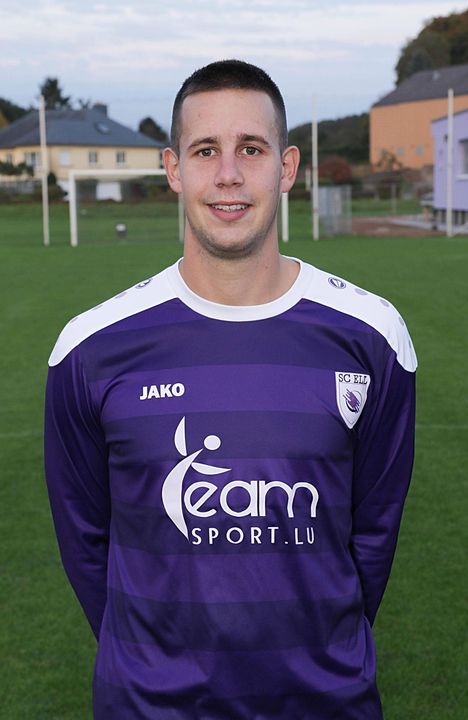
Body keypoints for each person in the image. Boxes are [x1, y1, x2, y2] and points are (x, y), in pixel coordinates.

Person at [44, 59, 417, 719]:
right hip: (149, 707)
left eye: (251, 148)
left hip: (324, 703)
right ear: (173, 169)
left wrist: (320, 644)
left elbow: (373, 535)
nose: (227, 175)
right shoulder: (90, 348)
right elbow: (85, 540)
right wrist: (148, 661)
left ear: (287, 167)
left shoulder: (373, 335)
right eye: (204, 150)